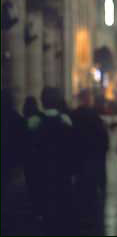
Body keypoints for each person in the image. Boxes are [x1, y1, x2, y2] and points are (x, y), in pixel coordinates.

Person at [28, 86, 75, 235]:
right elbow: (71, 148)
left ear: (43, 101)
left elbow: (29, 150)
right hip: (62, 173)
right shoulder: (65, 120)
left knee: (44, 210)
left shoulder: (34, 122)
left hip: (42, 172)